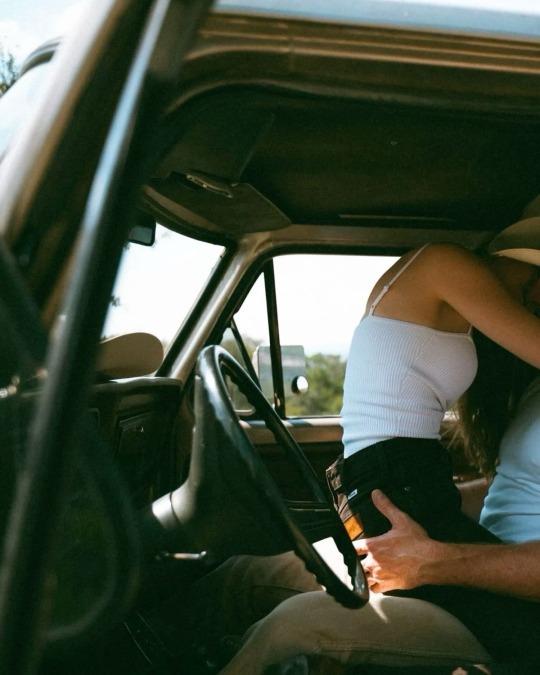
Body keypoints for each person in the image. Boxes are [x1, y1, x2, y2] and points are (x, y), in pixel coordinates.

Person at [326, 216, 540, 548]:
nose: (537, 296)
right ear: (508, 257)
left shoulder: (445, 287)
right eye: (535, 276)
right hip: (393, 477)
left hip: (396, 473)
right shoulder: (445, 263)